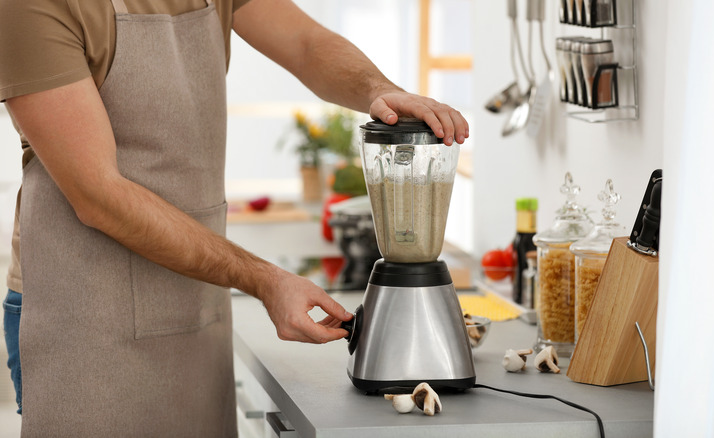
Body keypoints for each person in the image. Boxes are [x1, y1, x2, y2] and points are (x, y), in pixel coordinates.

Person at [0, 0, 468, 435]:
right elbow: (98, 195)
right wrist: (263, 279)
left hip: (195, 298)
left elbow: (305, 44)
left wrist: (380, 92)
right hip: (83, 315)